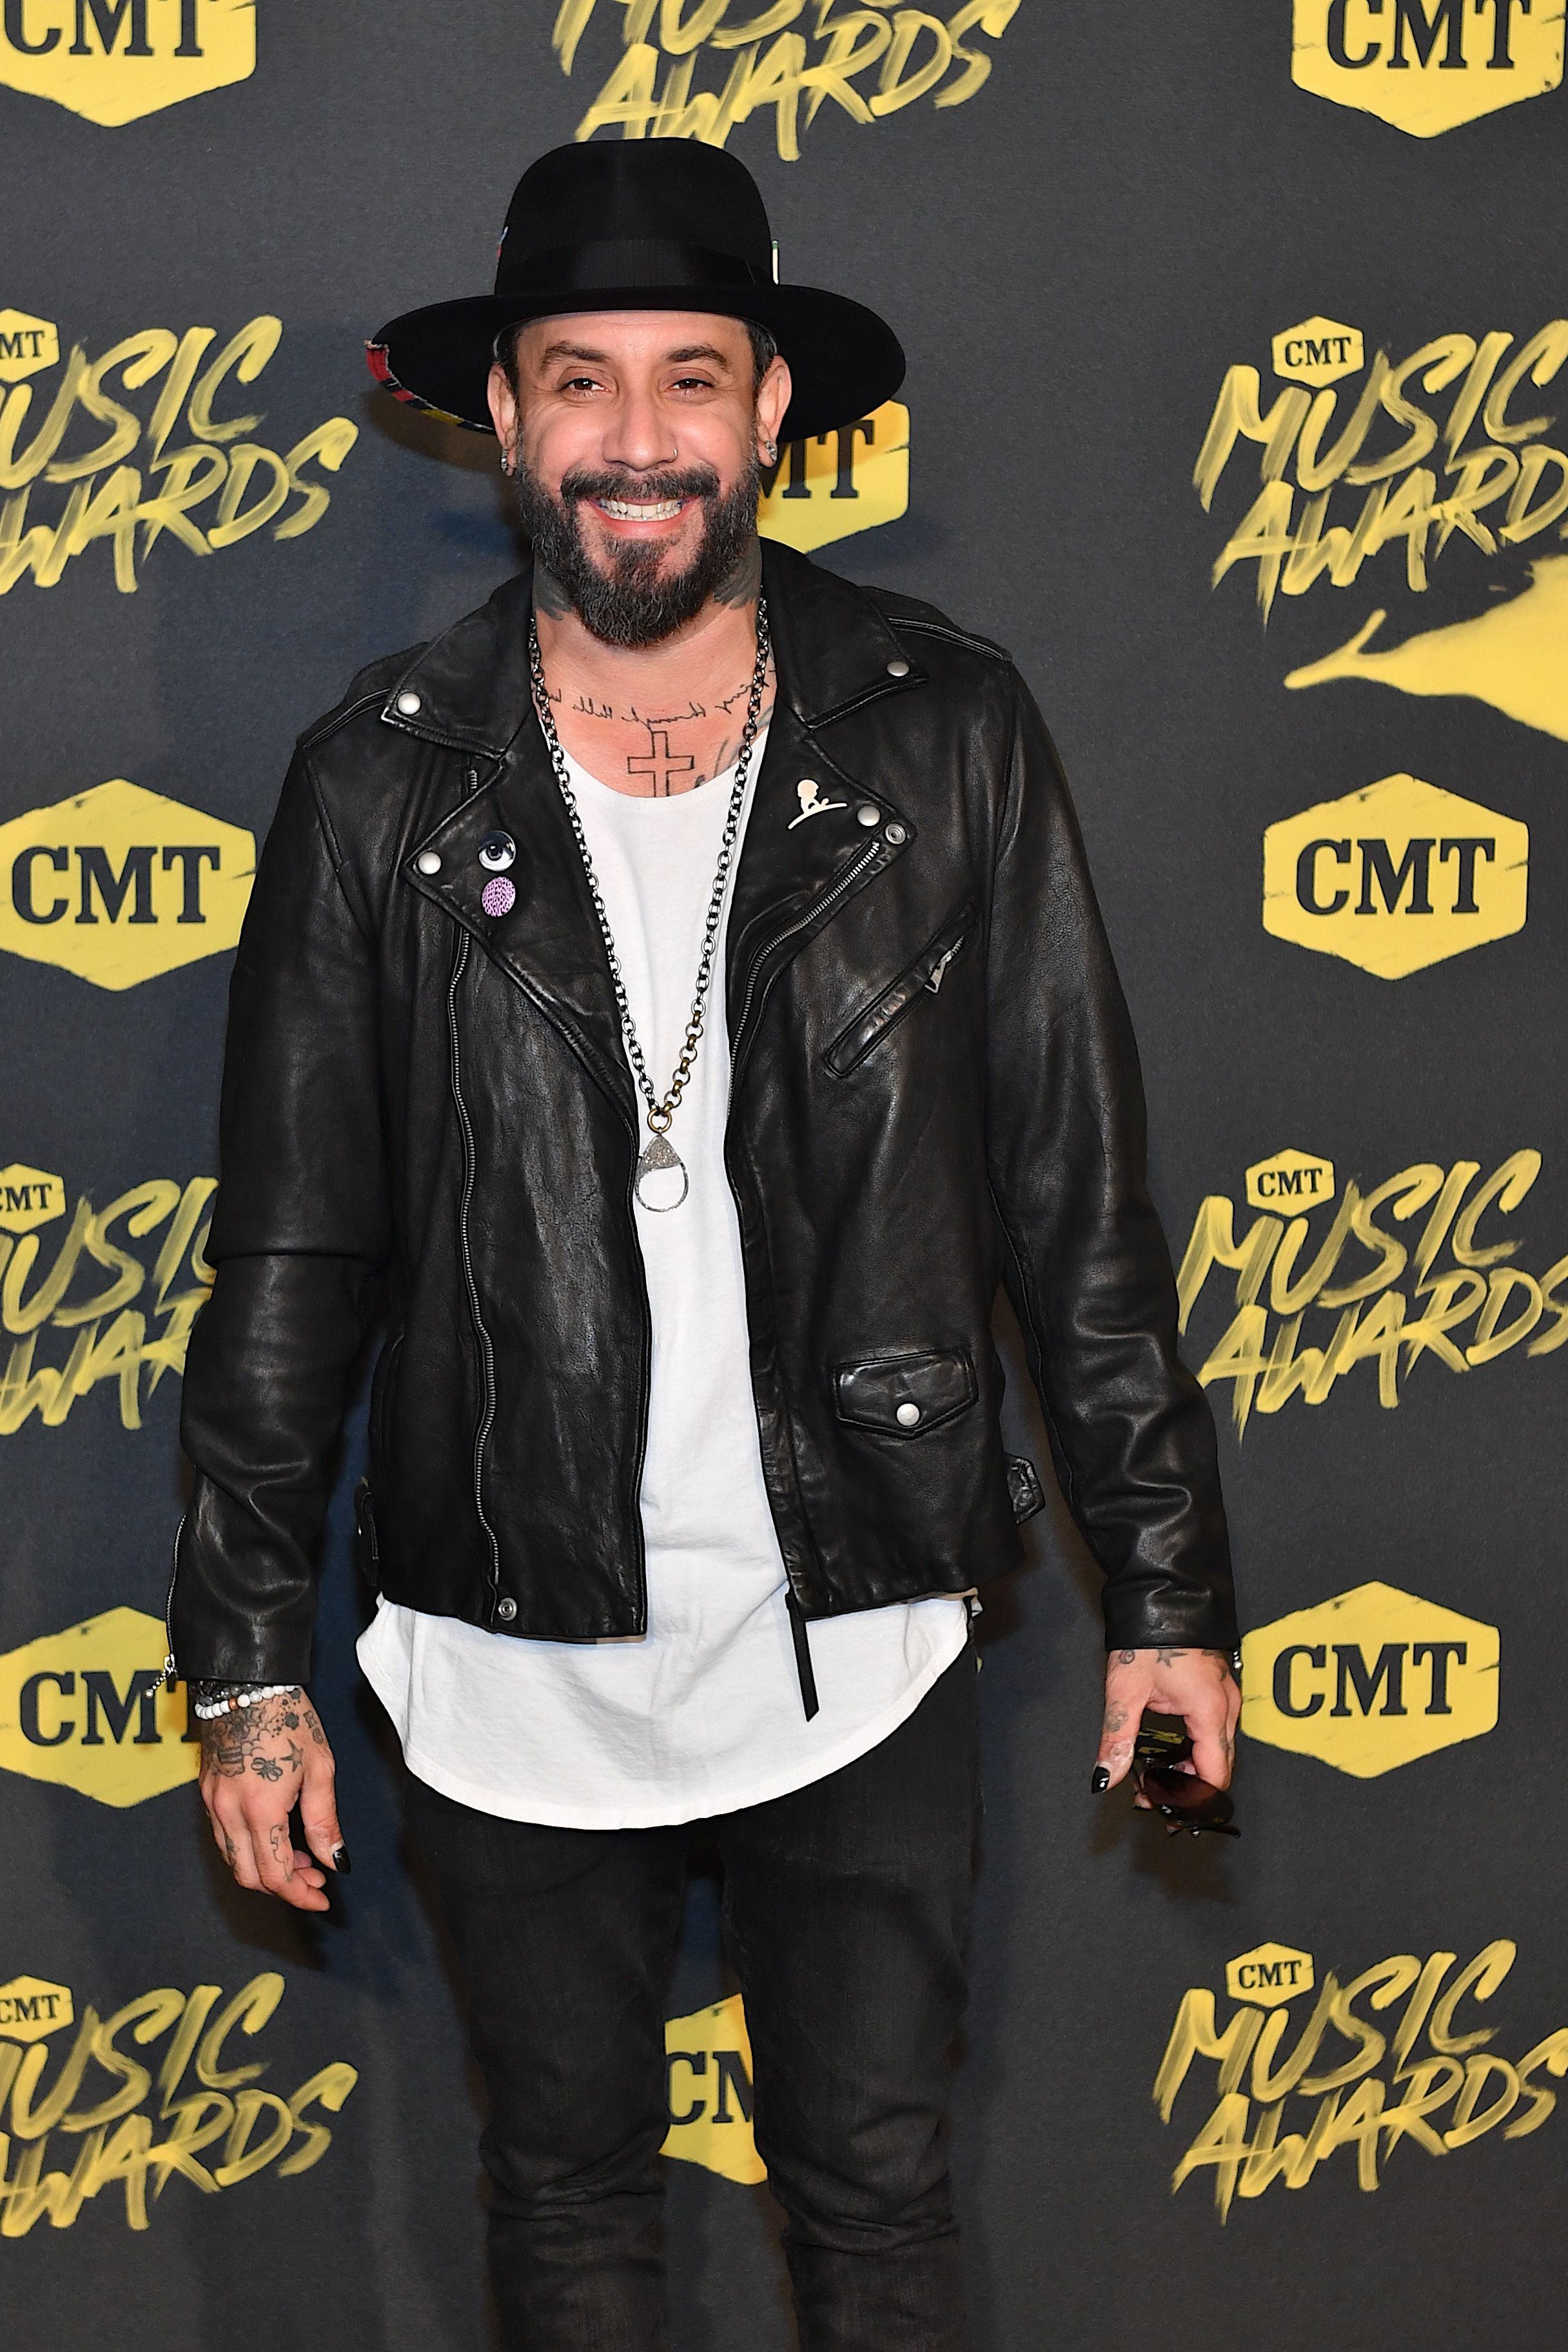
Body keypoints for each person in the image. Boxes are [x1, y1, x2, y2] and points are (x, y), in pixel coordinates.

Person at [173, 139, 1240, 2352]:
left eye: (690, 379)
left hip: (850, 1631)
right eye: (582, 381)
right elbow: (292, 1253)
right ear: (507, 418)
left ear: (774, 410)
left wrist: (1168, 1592)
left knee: (876, 2206)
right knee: (563, 2210)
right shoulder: (379, 776)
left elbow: (1076, 1194)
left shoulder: (942, 730)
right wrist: (251, 1659)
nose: (637, 440)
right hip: (502, 1648)